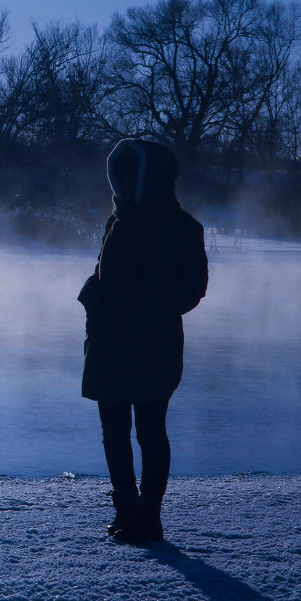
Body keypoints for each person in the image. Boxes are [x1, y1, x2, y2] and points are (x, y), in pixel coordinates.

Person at [78, 138, 208, 544]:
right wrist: (94, 296)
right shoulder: (115, 220)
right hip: (111, 342)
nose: (127, 180)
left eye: (135, 173)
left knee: (150, 430)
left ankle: (149, 515)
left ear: (154, 177)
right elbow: (107, 275)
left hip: (153, 343)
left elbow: (193, 288)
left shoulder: (183, 227)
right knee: (113, 430)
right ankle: (126, 508)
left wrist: (145, 309)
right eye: (122, 173)